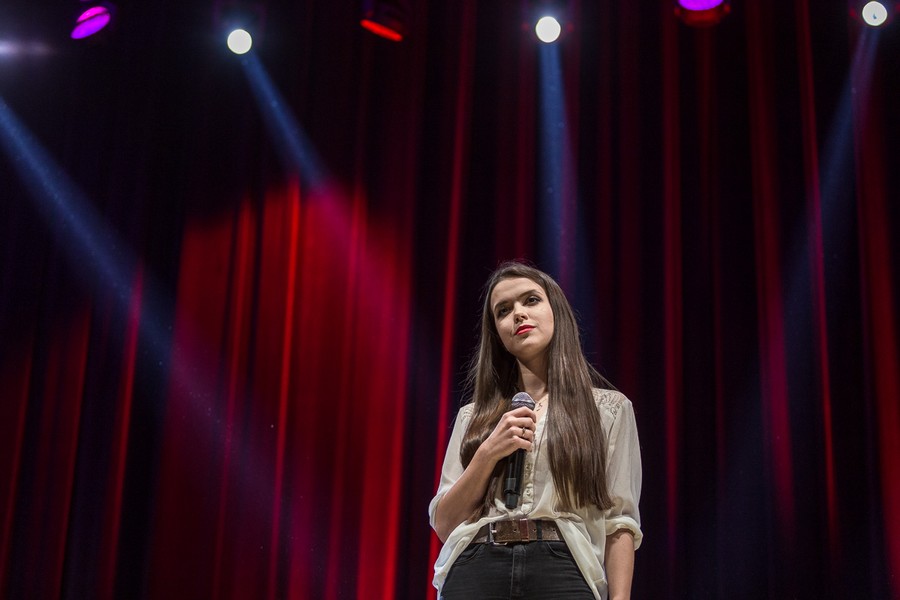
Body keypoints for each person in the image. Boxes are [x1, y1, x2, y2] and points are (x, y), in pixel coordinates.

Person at [429, 261, 642, 600]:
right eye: (503, 310)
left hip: (562, 566)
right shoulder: (474, 416)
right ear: (497, 332)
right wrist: (487, 452)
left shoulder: (609, 409)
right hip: (476, 565)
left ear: (555, 310)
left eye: (530, 300)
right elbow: (444, 524)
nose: (518, 314)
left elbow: (619, 523)